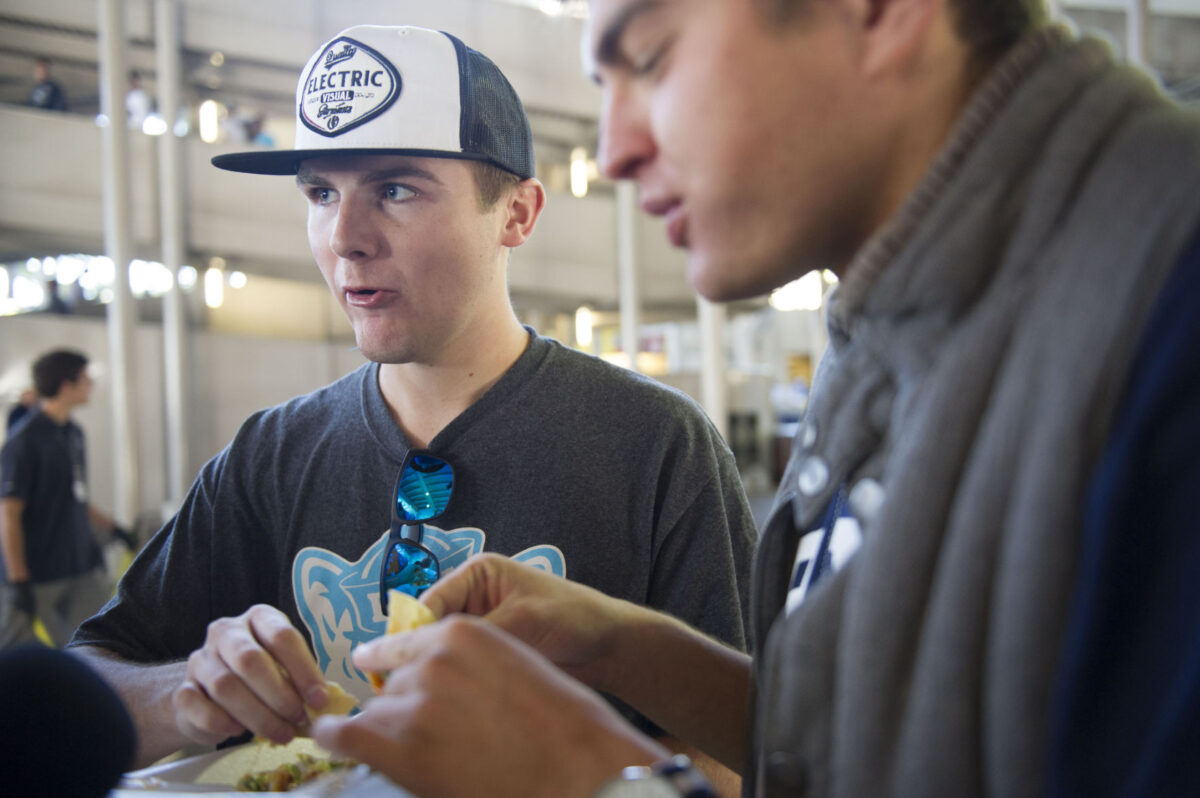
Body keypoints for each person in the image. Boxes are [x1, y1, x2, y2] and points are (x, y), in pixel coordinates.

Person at [301, 1, 1200, 797]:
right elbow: (880, 751)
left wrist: (597, 786)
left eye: (651, 57)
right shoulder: (893, 317)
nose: (614, 151)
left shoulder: (1164, 307)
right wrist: (622, 646)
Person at [68, 23, 757, 787]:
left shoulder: (652, 445)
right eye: (321, 193)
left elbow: (751, 750)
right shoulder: (272, 455)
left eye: (396, 190)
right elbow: (77, 688)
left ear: (517, 214)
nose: (345, 237)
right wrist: (187, 695)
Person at [1, 350, 135, 649]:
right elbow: (8, 514)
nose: (90, 386)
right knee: (18, 656)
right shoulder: (24, 441)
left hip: (78, 566)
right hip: (37, 572)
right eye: (85, 379)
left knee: (97, 647)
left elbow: (76, 496)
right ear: (66, 385)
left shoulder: (73, 434)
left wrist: (115, 529)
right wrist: (18, 579)